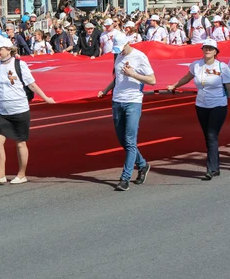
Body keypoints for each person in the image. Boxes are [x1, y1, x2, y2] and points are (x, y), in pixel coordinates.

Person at [0, 38, 56, 186]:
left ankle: (21, 174)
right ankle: (0, 175)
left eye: (0, 49)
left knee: (20, 142)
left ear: (9, 50)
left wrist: (45, 98)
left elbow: (31, 84)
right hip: (1, 110)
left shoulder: (19, 64)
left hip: (19, 109)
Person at [98, 33, 156, 191]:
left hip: (133, 102)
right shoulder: (118, 55)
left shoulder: (139, 57)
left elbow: (152, 80)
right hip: (117, 101)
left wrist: (134, 74)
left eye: (121, 49)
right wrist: (105, 90)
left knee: (130, 141)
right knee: (122, 140)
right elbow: (117, 78)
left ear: (128, 43)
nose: (120, 52)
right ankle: (143, 164)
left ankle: (125, 178)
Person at [167, 39, 230, 180]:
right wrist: (174, 85)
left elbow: (228, 87)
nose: (207, 50)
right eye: (205, 48)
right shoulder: (196, 65)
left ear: (215, 51)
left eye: (210, 48)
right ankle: (216, 167)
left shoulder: (222, 67)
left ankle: (210, 169)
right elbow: (187, 77)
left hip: (218, 105)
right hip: (201, 105)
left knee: (212, 135)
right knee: (208, 137)